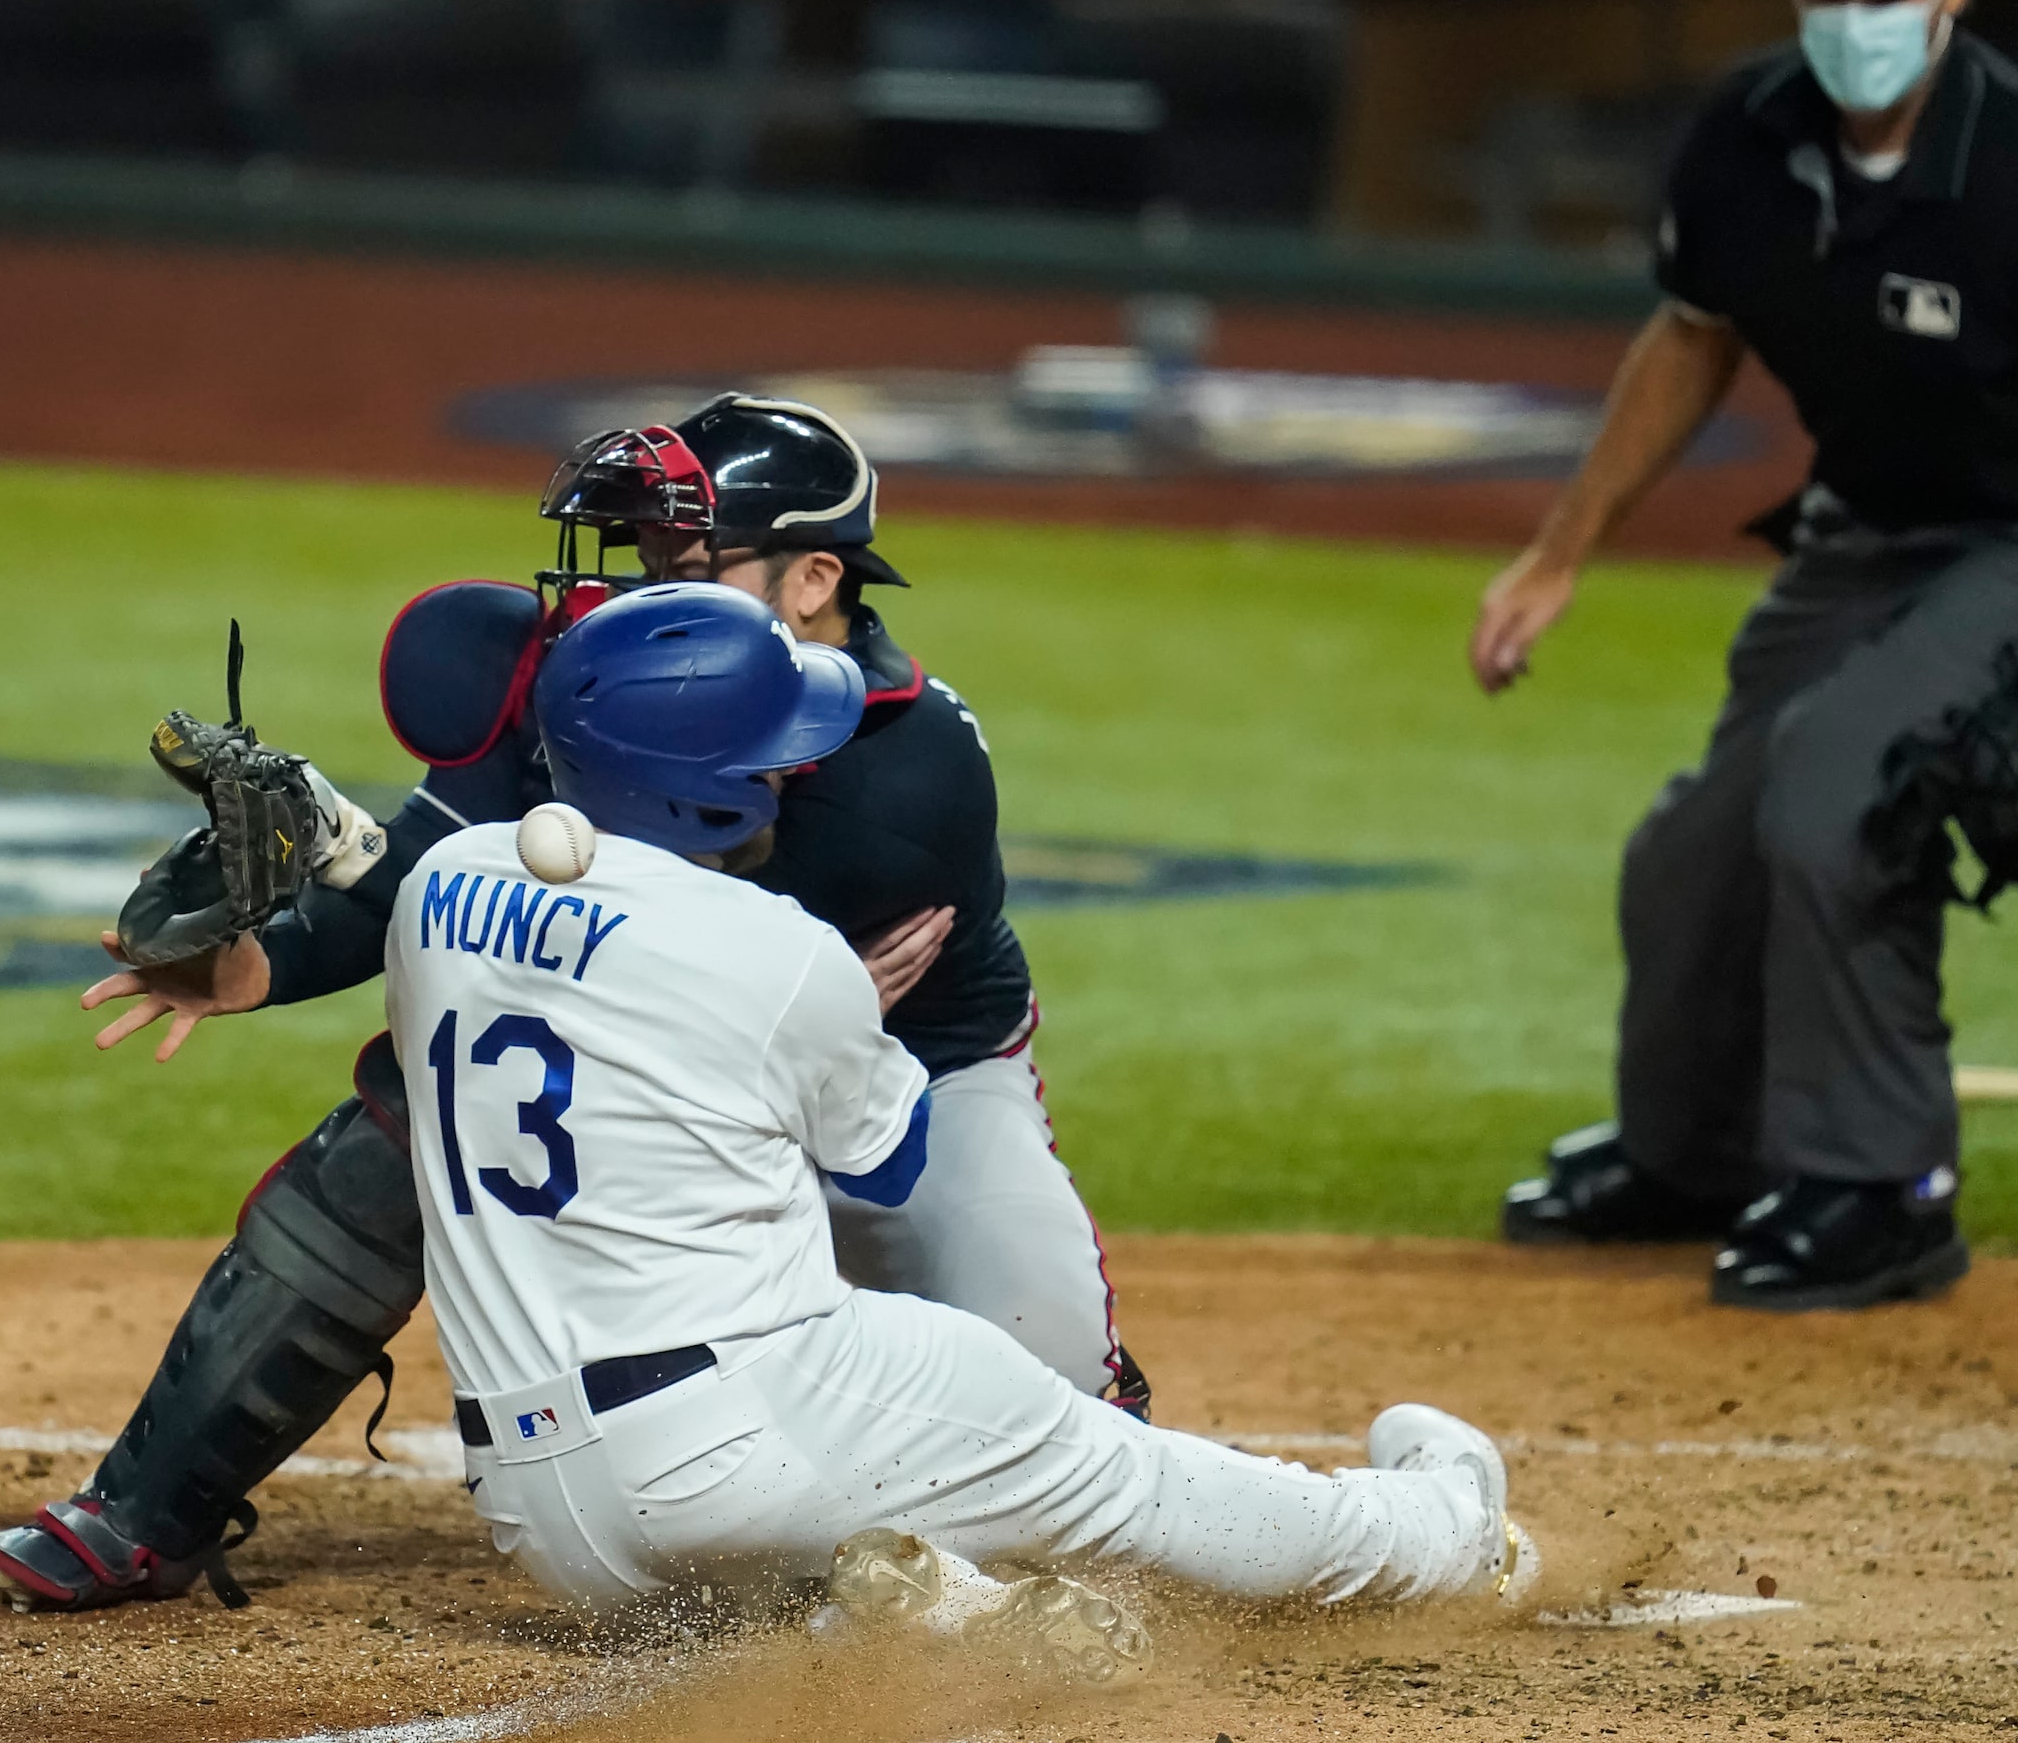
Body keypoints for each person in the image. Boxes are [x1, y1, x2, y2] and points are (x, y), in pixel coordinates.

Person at [0, 399, 1141, 1616]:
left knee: (1048, 1378)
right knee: (404, 1132)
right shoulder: (585, 677)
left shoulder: (905, 767)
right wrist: (265, 963)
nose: (641, 588)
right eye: (641, 553)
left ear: (810, 579)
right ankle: (145, 1510)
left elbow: (677, 966)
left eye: (686, 560)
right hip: (659, 1072)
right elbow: (448, 860)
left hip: (916, 1077)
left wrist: (351, 849)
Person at [401, 582, 1534, 1651]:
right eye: (772, 750)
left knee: (792, 1537)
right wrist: (842, 1008)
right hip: (733, 1437)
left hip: (538, 1511)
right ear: (708, 781)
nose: (794, 771)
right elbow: (886, 1167)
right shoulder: (777, 952)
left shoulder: (436, 888)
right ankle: (1442, 1534)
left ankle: (940, 1617)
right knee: (1112, 1478)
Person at [1476, 0, 2018, 1311]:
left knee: (1843, 790)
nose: (1857, 18)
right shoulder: (1746, 133)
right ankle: (1695, 1152)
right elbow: (1692, 334)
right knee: (1691, 849)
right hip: (1861, 538)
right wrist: (1562, 546)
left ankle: (1884, 1184)